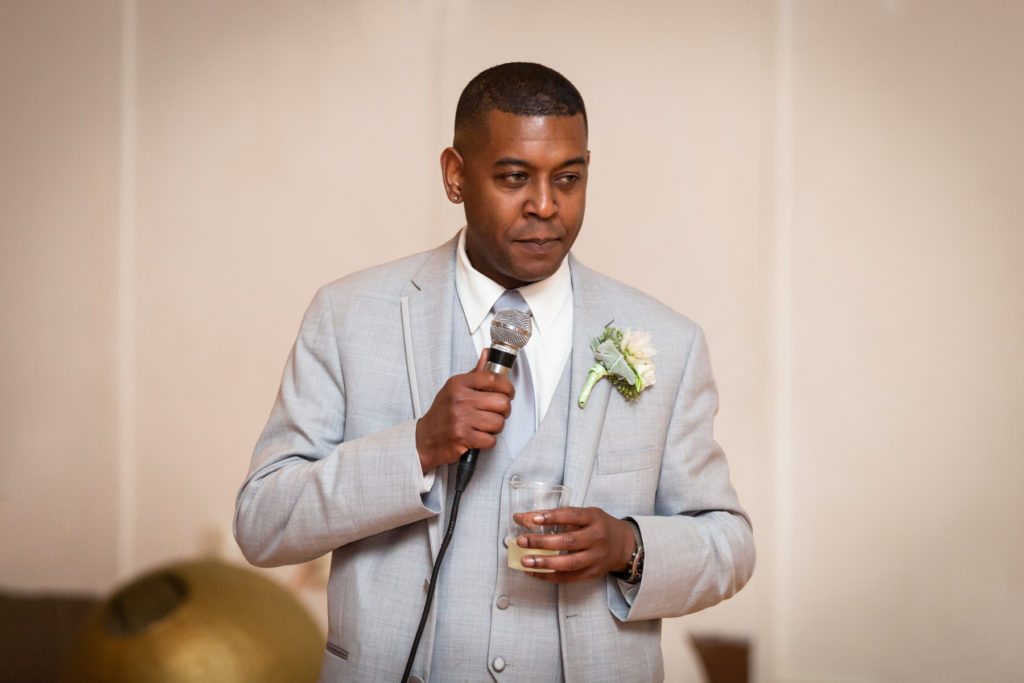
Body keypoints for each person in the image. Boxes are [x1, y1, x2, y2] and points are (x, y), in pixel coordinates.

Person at [234, 62, 754, 682]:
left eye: (569, 178)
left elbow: (729, 545)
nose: (544, 205)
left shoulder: (669, 340)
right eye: (514, 177)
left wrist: (629, 548)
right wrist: (417, 447)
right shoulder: (349, 316)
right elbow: (263, 523)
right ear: (456, 175)